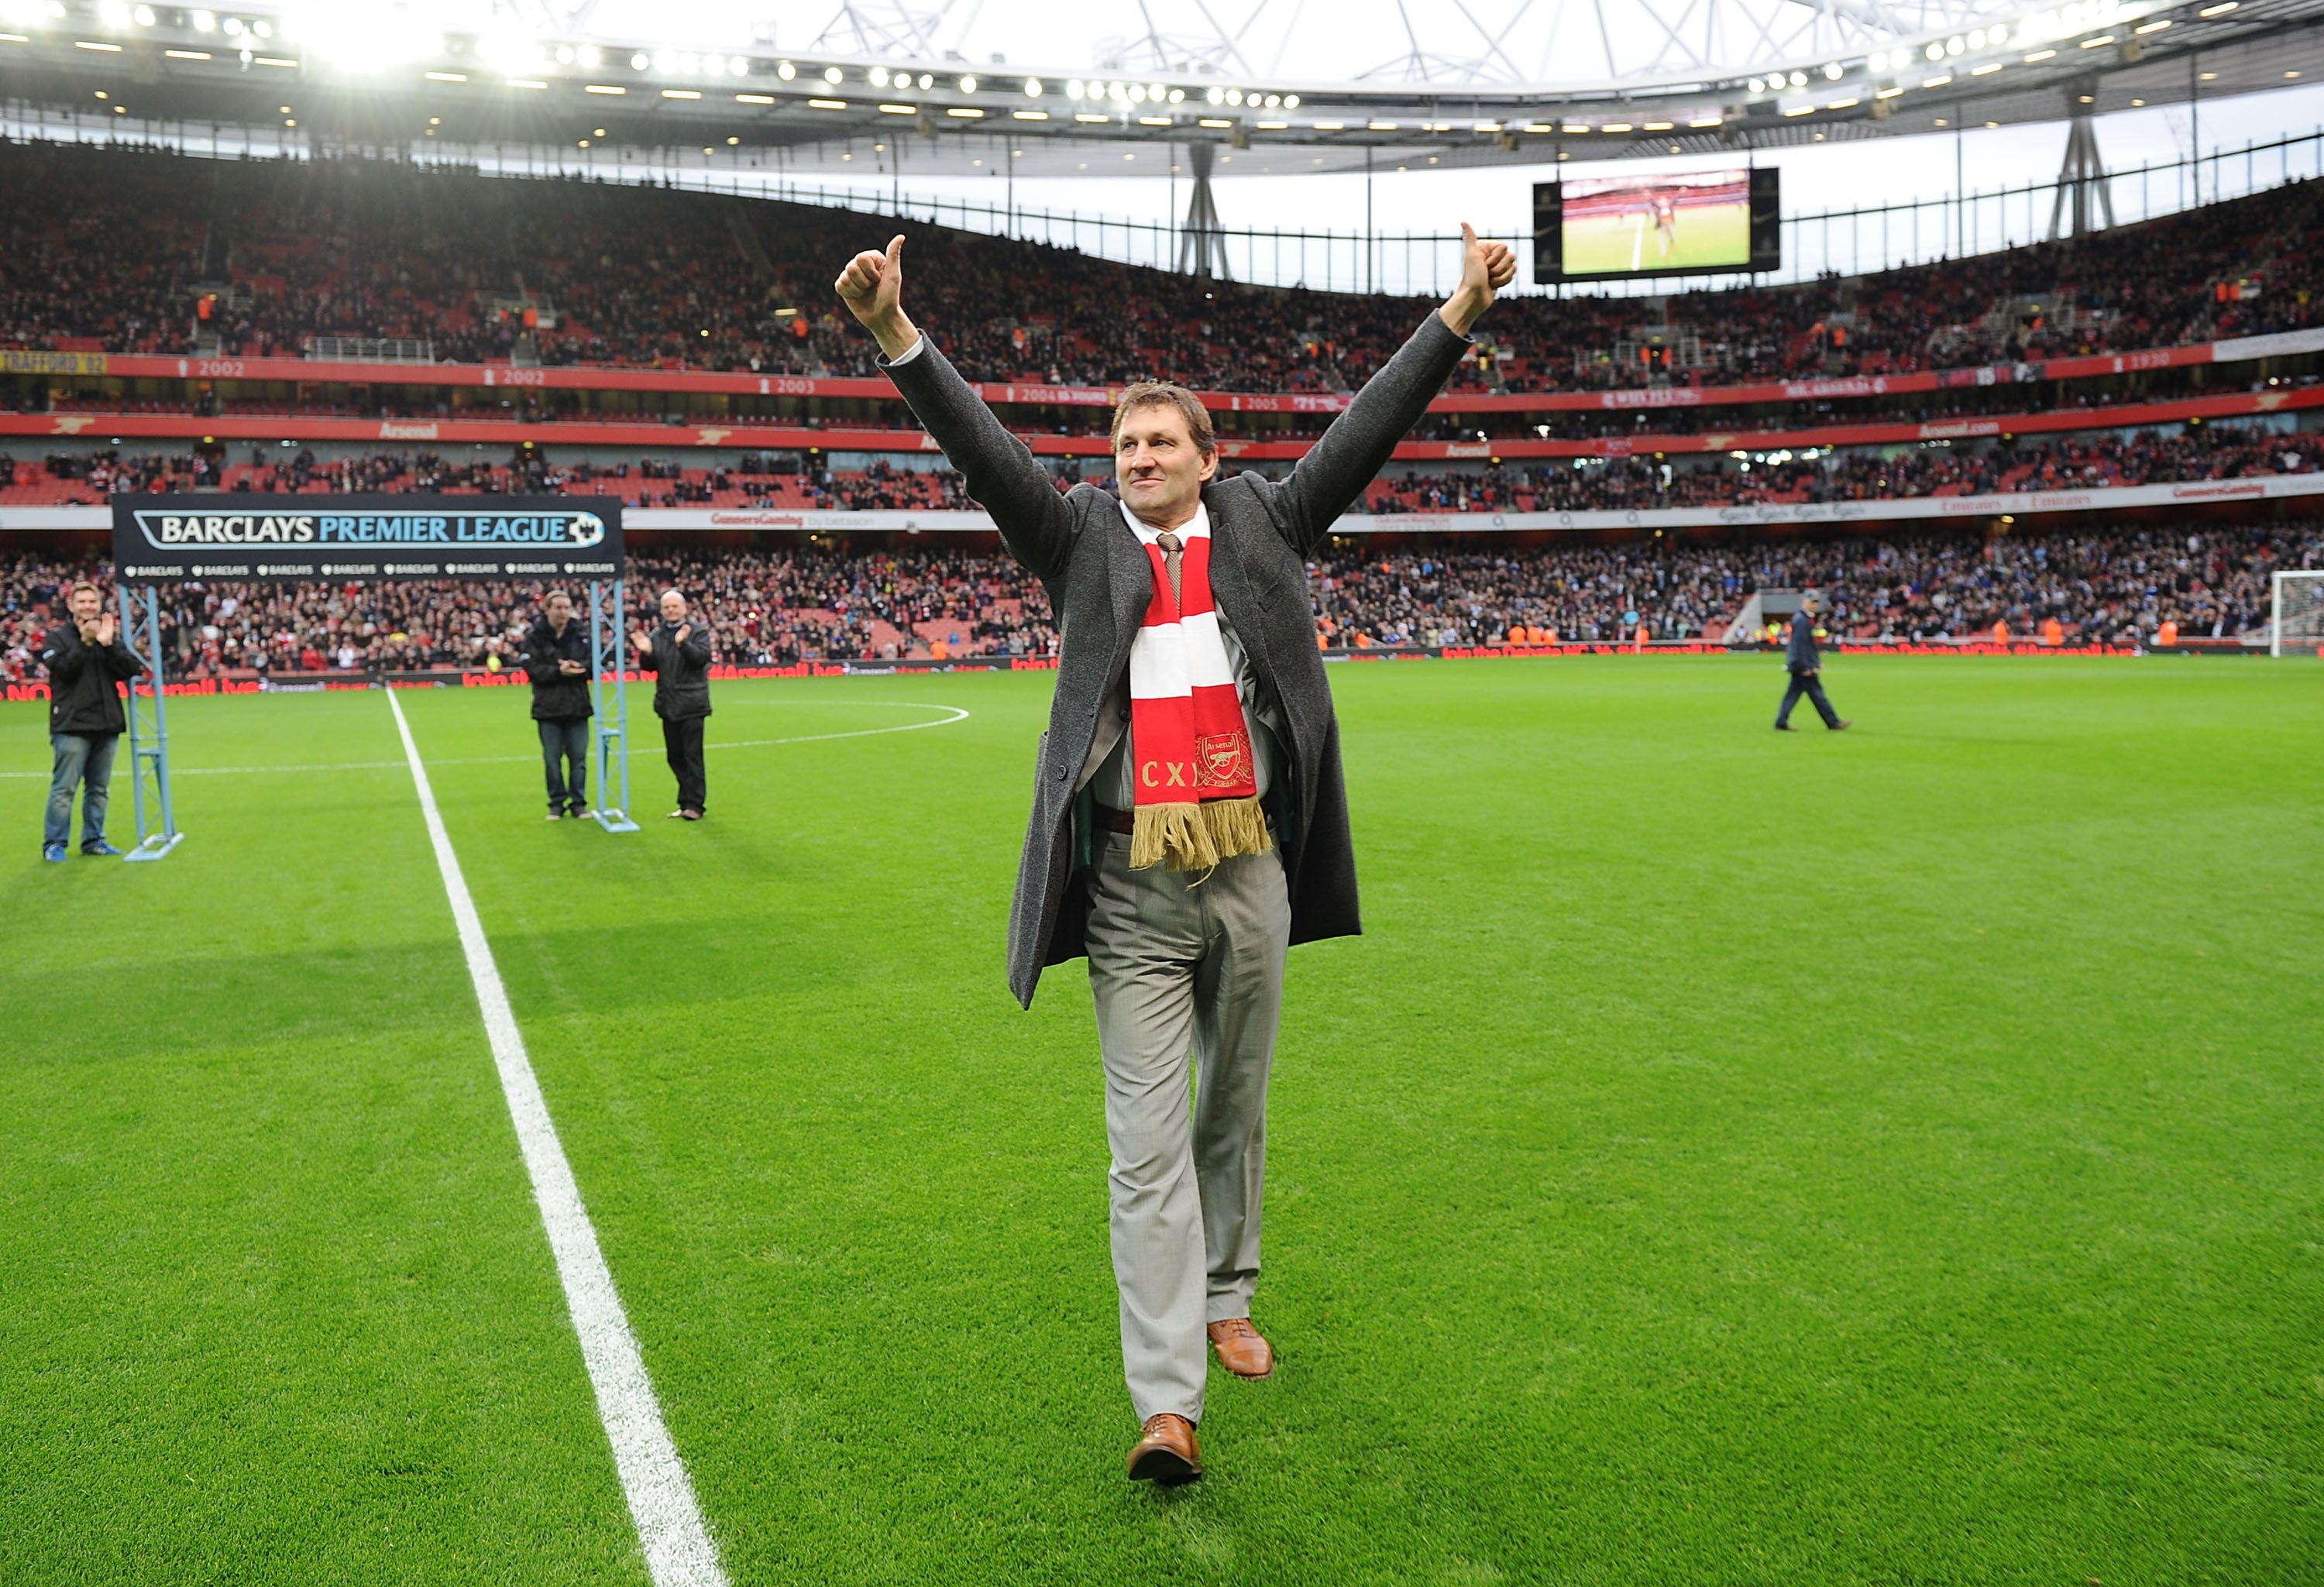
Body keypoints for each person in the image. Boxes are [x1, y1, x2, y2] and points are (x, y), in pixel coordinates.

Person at [838, 221, 1517, 1483]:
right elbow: (984, 457)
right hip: (1132, 894)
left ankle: (1229, 1288)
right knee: (1144, 1143)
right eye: (1122, 443)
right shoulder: (1080, 538)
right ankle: (1168, 1401)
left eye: (1162, 440)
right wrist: (897, 337)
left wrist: (1457, 314)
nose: (1139, 456)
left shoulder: (1263, 522)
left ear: (1210, 459)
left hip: (1251, 866)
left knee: (1236, 1101)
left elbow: (1364, 434)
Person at [37, 580, 144, 861]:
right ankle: (54, 844)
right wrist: (86, 643)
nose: (87, 606)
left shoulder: (107, 635)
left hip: (106, 724)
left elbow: (132, 669)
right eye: (82, 601)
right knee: (64, 789)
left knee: (99, 790)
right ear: (71, 606)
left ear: (99, 605)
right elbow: (62, 670)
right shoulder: (57, 638)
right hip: (72, 725)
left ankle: (94, 840)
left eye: (92, 602)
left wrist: (108, 645)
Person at [633, 587, 710, 819]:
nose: (671, 610)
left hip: (692, 704)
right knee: (674, 757)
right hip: (668, 704)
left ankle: (695, 805)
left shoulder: (697, 631)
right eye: (666, 607)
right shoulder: (657, 635)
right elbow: (649, 668)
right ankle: (686, 801)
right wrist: (645, 653)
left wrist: (683, 644)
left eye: (675, 606)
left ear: (684, 608)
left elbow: (701, 659)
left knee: (692, 756)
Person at [520, 589, 593, 821]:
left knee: (578, 758)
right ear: (547, 609)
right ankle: (556, 803)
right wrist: (558, 671)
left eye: (567, 607)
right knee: (552, 760)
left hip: (577, 706)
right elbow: (532, 670)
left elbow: (594, 664)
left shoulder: (581, 634)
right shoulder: (535, 637)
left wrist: (579, 668)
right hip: (548, 708)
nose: (563, 612)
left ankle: (579, 803)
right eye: (559, 607)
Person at [1775, 593, 1851, 732]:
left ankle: (1781, 721)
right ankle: (1833, 722)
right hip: (1803, 666)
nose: (1815, 605)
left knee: (1793, 694)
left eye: (1817, 602)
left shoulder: (1802, 619)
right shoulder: (1802, 620)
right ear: (1805, 602)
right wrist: (1808, 666)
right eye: (1813, 602)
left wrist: (1815, 662)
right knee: (1817, 694)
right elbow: (1801, 646)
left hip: (1800, 664)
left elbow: (1805, 645)